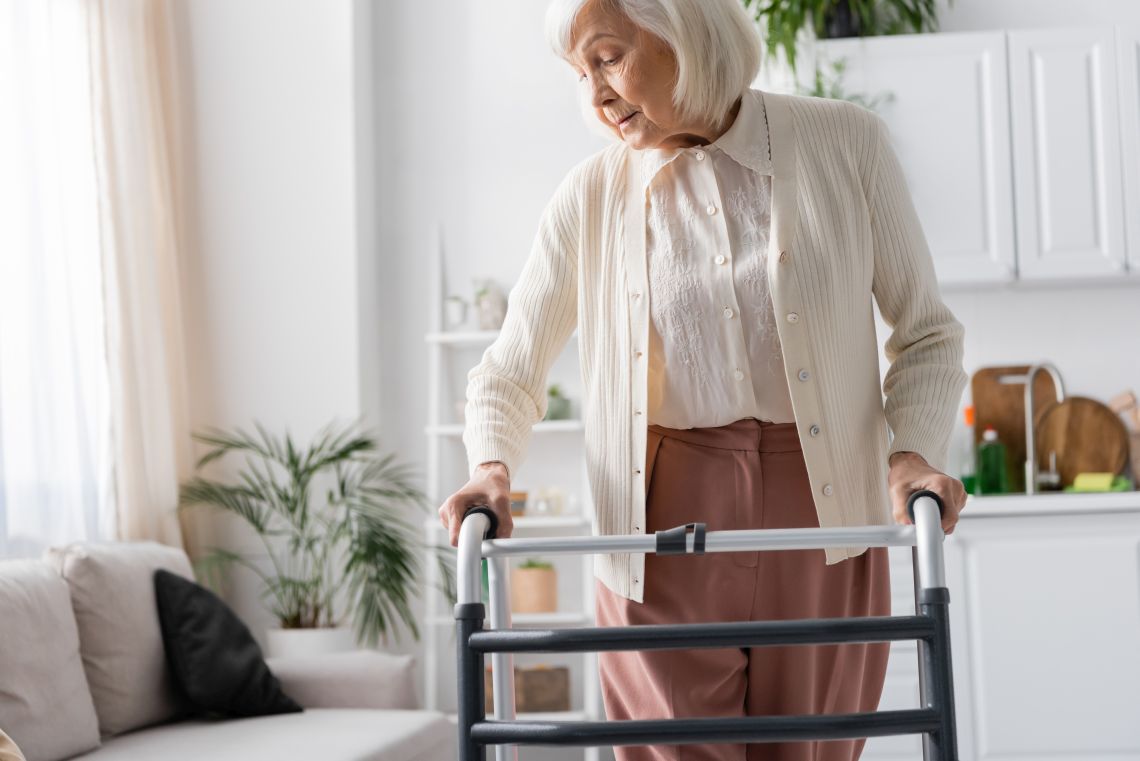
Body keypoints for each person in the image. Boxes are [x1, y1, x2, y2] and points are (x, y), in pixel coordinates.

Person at [438, 0, 969, 758]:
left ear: (682, 26)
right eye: (578, 73)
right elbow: (510, 367)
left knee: (813, 748)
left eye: (609, 57)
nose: (595, 94)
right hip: (657, 527)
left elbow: (926, 333)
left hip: (824, 519)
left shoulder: (845, 144)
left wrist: (912, 451)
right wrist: (490, 470)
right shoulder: (587, 198)